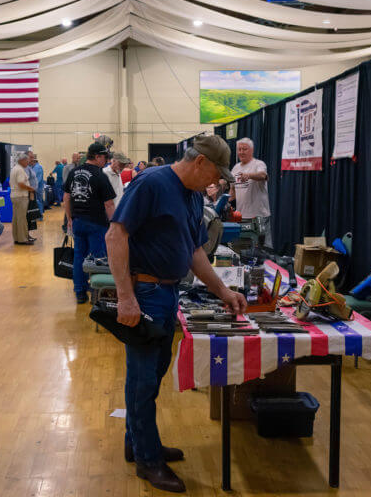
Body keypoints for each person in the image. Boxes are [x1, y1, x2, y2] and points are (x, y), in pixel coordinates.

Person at [106, 134, 247, 493]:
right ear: (200, 162)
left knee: (151, 375)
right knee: (142, 379)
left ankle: (136, 443)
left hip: (168, 293)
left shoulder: (193, 195)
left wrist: (223, 290)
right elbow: (115, 235)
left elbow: (194, 251)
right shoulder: (152, 183)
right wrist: (125, 297)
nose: (216, 182)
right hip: (146, 293)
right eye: (216, 173)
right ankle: (148, 461)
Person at [63, 142, 116, 304]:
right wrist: (114, 224)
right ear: (97, 156)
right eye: (105, 157)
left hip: (78, 221)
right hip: (96, 223)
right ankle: (96, 292)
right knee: (98, 258)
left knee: (79, 256)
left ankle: (80, 291)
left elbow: (66, 197)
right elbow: (109, 204)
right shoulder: (100, 176)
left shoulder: (73, 172)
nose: (106, 161)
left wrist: (70, 218)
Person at [229, 137, 271, 247]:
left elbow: (264, 176)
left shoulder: (258, 164)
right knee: (243, 249)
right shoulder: (235, 168)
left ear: (251, 150)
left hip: (258, 216)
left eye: (244, 149)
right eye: (239, 149)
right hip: (241, 217)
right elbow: (232, 189)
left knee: (261, 250)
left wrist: (249, 175)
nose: (241, 152)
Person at [10, 152, 36, 245]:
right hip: (21, 196)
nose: (28, 162)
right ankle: (23, 239)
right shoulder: (20, 170)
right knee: (22, 219)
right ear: (22, 160)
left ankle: (17, 237)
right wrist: (31, 188)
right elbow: (21, 184)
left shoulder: (14, 169)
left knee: (16, 218)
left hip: (15, 196)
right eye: (27, 160)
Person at [28, 151, 45, 217]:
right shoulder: (34, 167)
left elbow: (36, 179)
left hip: (37, 188)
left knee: (38, 201)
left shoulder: (37, 167)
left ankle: (40, 215)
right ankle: (39, 214)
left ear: (33, 161)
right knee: (38, 201)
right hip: (36, 187)